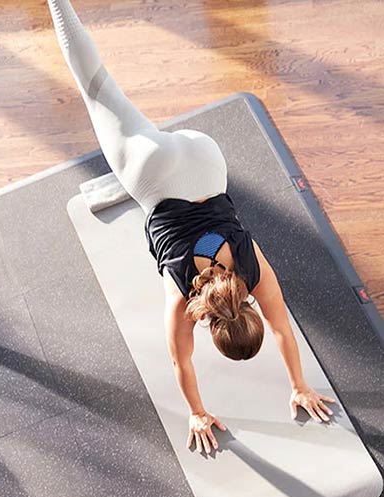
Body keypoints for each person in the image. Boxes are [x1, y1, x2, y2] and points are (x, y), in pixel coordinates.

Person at [46, 0, 335, 455]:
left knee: (112, 96)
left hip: (207, 160)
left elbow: (283, 329)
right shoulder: (183, 297)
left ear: (247, 309)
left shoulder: (252, 269)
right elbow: (180, 362)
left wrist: (300, 383)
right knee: (93, 85)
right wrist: (197, 413)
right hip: (153, 174)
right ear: (210, 324)